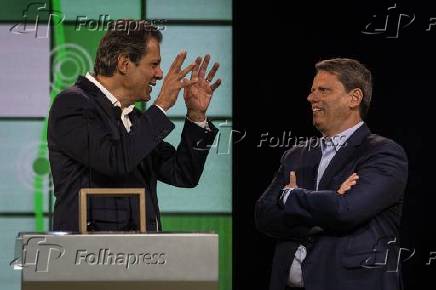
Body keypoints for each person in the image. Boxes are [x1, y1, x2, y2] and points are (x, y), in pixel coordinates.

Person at [48, 20, 221, 232]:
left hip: (141, 257)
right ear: (124, 64)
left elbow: (182, 173)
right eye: (153, 64)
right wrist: (162, 104)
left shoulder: (136, 119)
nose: (159, 74)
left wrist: (196, 116)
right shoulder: (73, 105)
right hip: (90, 256)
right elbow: (115, 160)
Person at [255, 58, 408, 290]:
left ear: (354, 98)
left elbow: (345, 211)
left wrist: (290, 197)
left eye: (323, 90)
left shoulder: (384, 153)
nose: (311, 98)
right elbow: (264, 215)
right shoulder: (296, 154)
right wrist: (329, 202)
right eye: (312, 90)